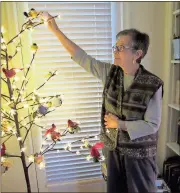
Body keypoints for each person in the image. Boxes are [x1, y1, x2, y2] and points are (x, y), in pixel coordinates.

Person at [41, 12, 163, 193]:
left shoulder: (153, 83)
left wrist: (119, 124)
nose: (115, 51)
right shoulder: (110, 73)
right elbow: (82, 57)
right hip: (113, 151)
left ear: (137, 54)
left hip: (140, 156)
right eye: (115, 46)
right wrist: (55, 30)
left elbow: (152, 125)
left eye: (121, 47)